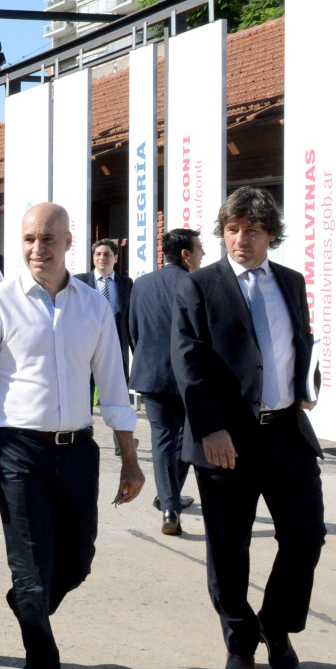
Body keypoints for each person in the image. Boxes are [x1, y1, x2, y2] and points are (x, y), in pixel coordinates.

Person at [0, 202, 143, 669]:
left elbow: (113, 387)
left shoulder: (93, 307)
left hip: (78, 450)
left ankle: (27, 604)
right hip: (16, 450)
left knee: (77, 560)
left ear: (69, 242)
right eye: (30, 238)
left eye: (49, 239)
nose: (39, 248)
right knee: (34, 574)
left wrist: (130, 458)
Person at [171, 186, 325, 669]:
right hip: (226, 440)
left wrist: (306, 384)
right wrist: (210, 428)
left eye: (253, 230)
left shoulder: (291, 282)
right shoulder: (200, 286)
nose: (242, 239)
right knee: (229, 546)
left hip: (286, 434)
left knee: (305, 536)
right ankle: (239, 641)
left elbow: (299, 342)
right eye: (233, 229)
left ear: (271, 236)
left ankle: (275, 625)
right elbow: (189, 363)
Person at [127, 228, 203, 536]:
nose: (203, 255)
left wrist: (147, 361)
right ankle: (168, 499)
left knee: (163, 441)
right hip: (191, 378)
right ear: (185, 254)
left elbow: (132, 330)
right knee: (188, 439)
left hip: (152, 374)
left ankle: (169, 501)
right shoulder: (197, 283)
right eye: (199, 249)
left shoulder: (142, 284)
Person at [75, 238, 133, 384]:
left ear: (116, 258)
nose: (102, 258)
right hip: (86, 344)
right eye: (98, 254)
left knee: (117, 391)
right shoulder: (78, 282)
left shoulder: (126, 283)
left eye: (107, 254)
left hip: (116, 344)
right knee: (84, 391)